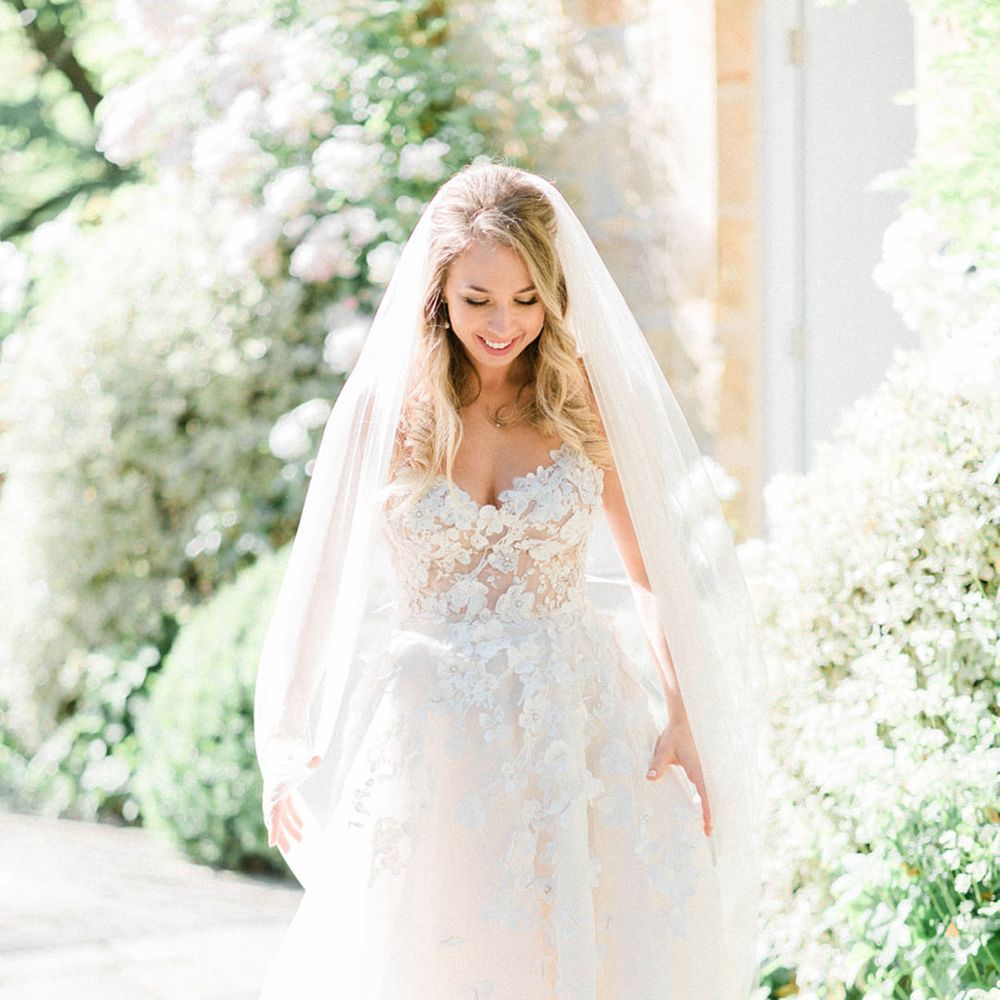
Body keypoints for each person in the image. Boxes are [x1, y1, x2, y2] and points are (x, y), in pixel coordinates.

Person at [254, 162, 767, 999]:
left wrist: (682, 712)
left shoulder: (581, 401)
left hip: (576, 725)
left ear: (554, 294)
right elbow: (313, 577)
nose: (503, 323)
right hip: (437, 737)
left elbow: (653, 576)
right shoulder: (389, 408)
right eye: (479, 298)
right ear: (438, 293)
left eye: (527, 299)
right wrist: (281, 736)